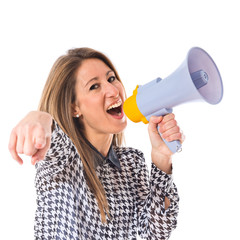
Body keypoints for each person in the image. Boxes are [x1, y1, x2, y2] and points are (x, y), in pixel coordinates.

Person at [8, 47, 183, 240]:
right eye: (94, 86)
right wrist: (40, 118)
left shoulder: (131, 163)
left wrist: (161, 158)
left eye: (111, 79)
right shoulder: (63, 163)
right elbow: (55, 143)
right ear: (74, 108)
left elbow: (154, 232)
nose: (113, 90)